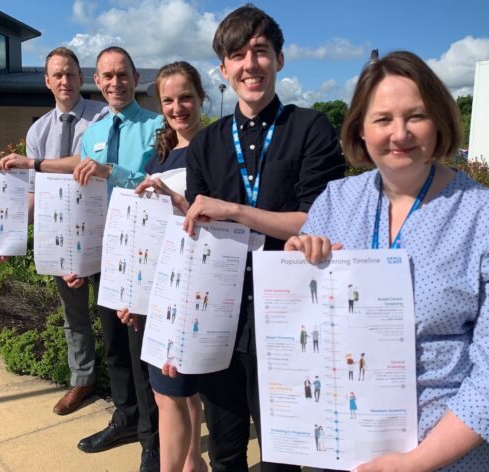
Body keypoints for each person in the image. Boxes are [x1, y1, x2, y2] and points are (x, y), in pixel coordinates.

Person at [286, 50, 489, 471]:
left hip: (443, 454)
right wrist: (298, 270)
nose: (399, 133)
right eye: (383, 119)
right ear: (361, 131)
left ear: (439, 121)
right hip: (342, 443)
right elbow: (307, 328)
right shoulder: (336, 202)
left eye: (415, 116)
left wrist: (416, 462)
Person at [182, 5, 346, 470]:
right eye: (238, 55)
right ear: (223, 68)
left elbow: (316, 220)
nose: (250, 64)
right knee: (227, 445)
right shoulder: (206, 144)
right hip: (221, 316)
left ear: (279, 59)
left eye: (260, 51)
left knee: (282, 450)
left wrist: (234, 210)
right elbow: (198, 234)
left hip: (288, 311)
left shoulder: (310, 128)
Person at [0, 47, 108, 416]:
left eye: (70, 74)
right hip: (58, 236)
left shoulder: (103, 118)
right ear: (47, 81)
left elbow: (93, 164)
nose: (64, 81)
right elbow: (30, 191)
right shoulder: (37, 130)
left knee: (114, 315)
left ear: (81, 77)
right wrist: (7, 238)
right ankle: (83, 379)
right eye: (57, 75)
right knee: (75, 317)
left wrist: (35, 163)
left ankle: (128, 392)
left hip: (102, 234)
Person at [72, 46, 164, 472]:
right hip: (105, 252)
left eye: (121, 74)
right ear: (98, 78)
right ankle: (125, 417)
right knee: (113, 346)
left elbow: (160, 184)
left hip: (144, 253)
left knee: (140, 347)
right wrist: (75, 253)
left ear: (136, 76)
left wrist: (113, 171)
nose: (114, 82)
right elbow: (80, 195)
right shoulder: (91, 131)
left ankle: (153, 438)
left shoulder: (157, 126)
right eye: (106, 75)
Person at [118, 61, 207, 472]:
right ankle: (193, 461)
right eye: (168, 100)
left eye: (185, 97)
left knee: (172, 390)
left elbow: (219, 221)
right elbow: (146, 235)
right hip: (158, 285)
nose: (177, 107)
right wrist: (130, 293)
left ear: (201, 97)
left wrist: (177, 202)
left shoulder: (215, 149)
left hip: (196, 283)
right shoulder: (160, 157)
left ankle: (183, 465)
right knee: (173, 391)